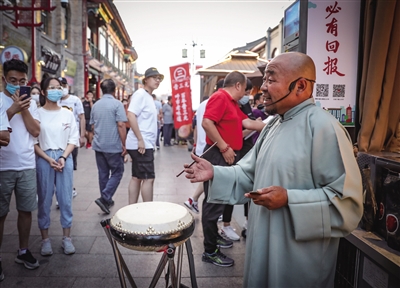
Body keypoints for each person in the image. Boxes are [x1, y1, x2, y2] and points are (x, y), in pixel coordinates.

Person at [183, 52, 363, 287]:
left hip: (298, 259)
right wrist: (214, 173)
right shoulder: (272, 127)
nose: (263, 88)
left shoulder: (324, 128)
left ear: (300, 85)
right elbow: (249, 174)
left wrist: (289, 199)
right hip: (262, 245)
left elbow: (347, 204)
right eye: (264, 80)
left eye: (271, 79)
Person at [199, 71, 265, 267]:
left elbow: (246, 122)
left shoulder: (232, 103)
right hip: (217, 155)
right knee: (213, 202)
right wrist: (224, 147)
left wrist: (272, 125)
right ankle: (210, 251)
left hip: (223, 154)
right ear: (237, 86)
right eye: (245, 89)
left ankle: (214, 239)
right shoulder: (220, 97)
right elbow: (206, 123)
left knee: (218, 199)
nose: (246, 93)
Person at [0, 59, 41, 278]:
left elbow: (35, 131)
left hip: (26, 163)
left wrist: (23, 109)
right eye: (13, 80)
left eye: (22, 81)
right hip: (2, 165)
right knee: (1, 213)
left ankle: (23, 251)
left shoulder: (32, 102)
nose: (17, 84)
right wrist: (11, 109)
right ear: (4, 79)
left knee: (25, 210)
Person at [35, 77, 79, 256]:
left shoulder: (67, 113)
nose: (56, 90)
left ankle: (66, 238)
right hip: (44, 158)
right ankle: (45, 239)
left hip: (64, 157)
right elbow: (34, 142)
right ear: (44, 92)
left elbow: (73, 139)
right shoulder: (37, 113)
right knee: (44, 199)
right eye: (51, 87)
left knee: (65, 198)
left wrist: (63, 157)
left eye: (58, 87)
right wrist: (48, 159)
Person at [91, 79, 127, 214]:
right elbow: (121, 125)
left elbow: (93, 126)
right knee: (117, 172)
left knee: (103, 173)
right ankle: (105, 197)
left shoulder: (96, 105)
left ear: (101, 90)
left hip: (99, 145)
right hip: (113, 145)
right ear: (114, 90)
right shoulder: (117, 104)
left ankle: (106, 200)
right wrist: (124, 144)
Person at [126, 67, 160, 204]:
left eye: (159, 78)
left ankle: (132, 209)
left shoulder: (148, 96)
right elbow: (130, 114)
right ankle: (147, 211)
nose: (158, 80)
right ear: (146, 80)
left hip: (144, 142)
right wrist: (140, 139)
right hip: (141, 144)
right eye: (154, 77)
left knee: (137, 177)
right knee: (148, 178)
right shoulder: (140, 94)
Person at [58, 77, 86, 173]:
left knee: (71, 163)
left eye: (64, 85)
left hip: (72, 137)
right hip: (57, 137)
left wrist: (82, 136)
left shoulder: (75, 100)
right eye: (59, 86)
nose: (62, 88)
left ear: (68, 87)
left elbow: (82, 118)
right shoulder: (54, 100)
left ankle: (70, 185)